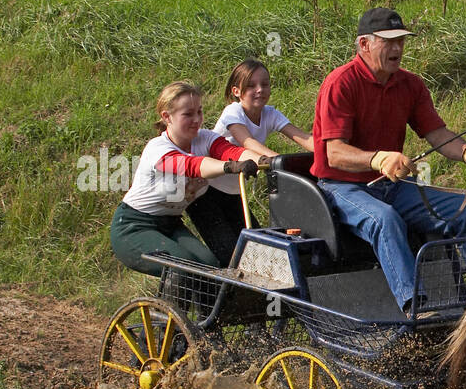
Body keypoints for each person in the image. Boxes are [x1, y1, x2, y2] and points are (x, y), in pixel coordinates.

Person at [311, 7, 466, 316]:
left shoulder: (411, 85)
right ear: (364, 44)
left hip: (391, 185)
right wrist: (378, 158)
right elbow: (334, 153)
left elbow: (435, 133)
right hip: (340, 186)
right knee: (385, 220)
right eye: (389, 41)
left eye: (401, 41)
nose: (397, 48)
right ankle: (416, 307)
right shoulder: (340, 83)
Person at [111, 80, 265, 277]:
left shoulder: (205, 138)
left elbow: (232, 151)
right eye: (188, 114)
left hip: (171, 224)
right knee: (185, 268)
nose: (196, 119)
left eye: (199, 112)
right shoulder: (157, 149)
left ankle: (192, 309)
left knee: (210, 268)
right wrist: (230, 166)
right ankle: (170, 308)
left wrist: (266, 161)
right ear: (167, 117)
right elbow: (193, 166)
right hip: (133, 227)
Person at [188, 59, 315, 265]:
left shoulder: (270, 113)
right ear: (237, 91)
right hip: (206, 191)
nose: (259, 90)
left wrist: (331, 153)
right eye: (251, 85)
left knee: (257, 252)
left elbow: (303, 137)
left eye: (264, 84)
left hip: (234, 192)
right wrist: (279, 162)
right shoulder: (233, 112)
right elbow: (247, 142)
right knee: (231, 254)